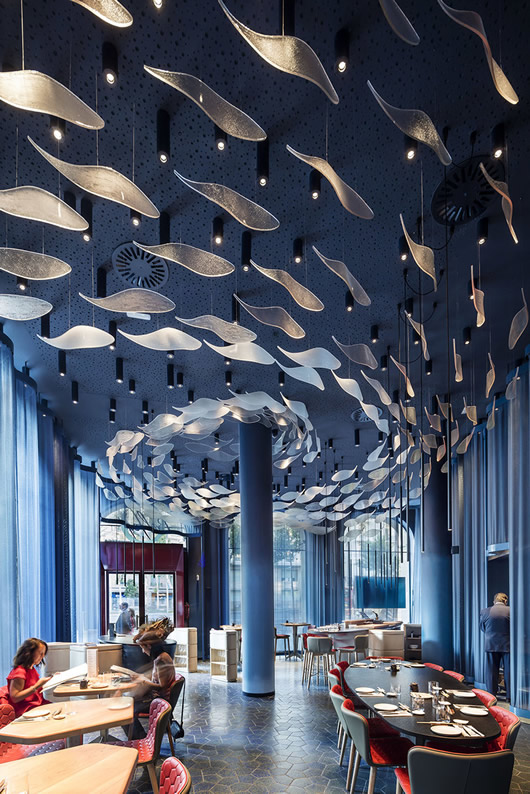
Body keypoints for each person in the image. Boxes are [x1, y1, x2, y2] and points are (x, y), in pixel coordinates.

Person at [130, 640, 181, 739]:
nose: (143, 651)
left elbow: (162, 686)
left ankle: (140, 738)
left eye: (143, 648)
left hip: (159, 701)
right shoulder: (163, 656)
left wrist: (142, 681)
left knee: (127, 709)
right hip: (159, 698)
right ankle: (139, 737)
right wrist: (141, 677)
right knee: (131, 701)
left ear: (149, 646)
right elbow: (158, 680)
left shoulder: (160, 660)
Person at [6, 638, 52, 718]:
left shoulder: (31, 669)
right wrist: (37, 686)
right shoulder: (19, 672)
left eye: (44, 654)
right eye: (40, 653)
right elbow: (15, 698)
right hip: (26, 709)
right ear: (29, 653)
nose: (43, 656)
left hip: (36, 704)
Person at [480, 592, 510, 701]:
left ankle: (492, 695)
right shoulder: (510, 610)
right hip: (507, 645)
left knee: (491, 672)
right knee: (508, 671)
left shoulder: (485, 611)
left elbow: (482, 628)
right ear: (505, 601)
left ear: (494, 601)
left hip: (491, 644)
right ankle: (509, 696)